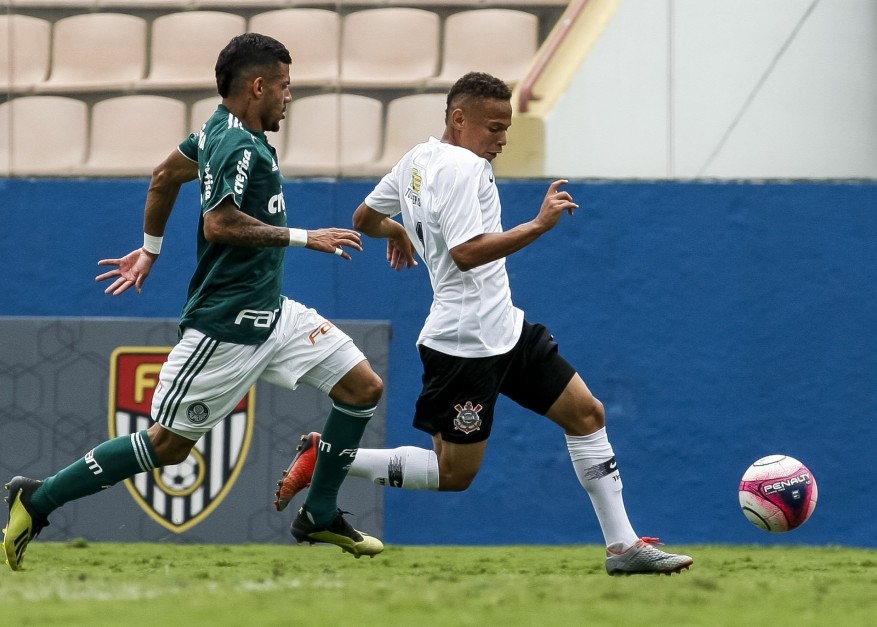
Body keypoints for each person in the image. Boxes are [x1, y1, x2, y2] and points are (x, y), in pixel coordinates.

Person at [274, 71, 693, 576]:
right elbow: (466, 253)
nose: (502, 139)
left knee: (587, 414)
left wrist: (397, 230)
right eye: (493, 127)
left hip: (506, 330)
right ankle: (331, 457)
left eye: (506, 128)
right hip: (464, 343)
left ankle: (623, 547)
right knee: (454, 475)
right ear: (459, 119)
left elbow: (363, 215)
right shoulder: (462, 169)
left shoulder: (417, 160)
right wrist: (536, 226)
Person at [1, 33, 385, 571]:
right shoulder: (236, 145)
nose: (288, 97)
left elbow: (164, 176)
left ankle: (319, 513)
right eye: (284, 85)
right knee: (167, 447)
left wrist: (149, 250)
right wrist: (305, 236)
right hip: (225, 328)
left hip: (272, 312)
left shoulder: (216, 129)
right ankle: (35, 499)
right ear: (257, 86)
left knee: (362, 386)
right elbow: (219, 223)